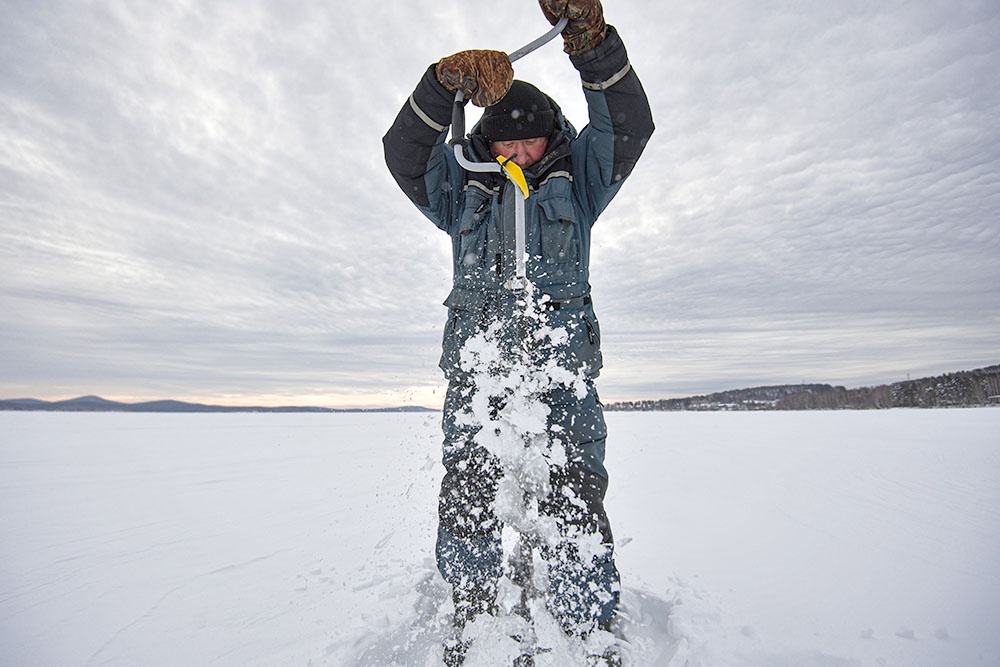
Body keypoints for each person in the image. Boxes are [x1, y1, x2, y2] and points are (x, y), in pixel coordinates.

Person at [383, 0, 653, 662]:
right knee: (470, 490)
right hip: (481, 381)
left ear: (551, 136)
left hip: (562, 380)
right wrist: (441, 83)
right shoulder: (461, 188)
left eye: (530, 139)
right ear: (486, 141)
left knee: (574, 497)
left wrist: (593, 47)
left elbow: (628, 127)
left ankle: (584, 622)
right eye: (506, 140)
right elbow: (404, 152)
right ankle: (474, 616)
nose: (518, 150)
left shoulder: (580, 181)